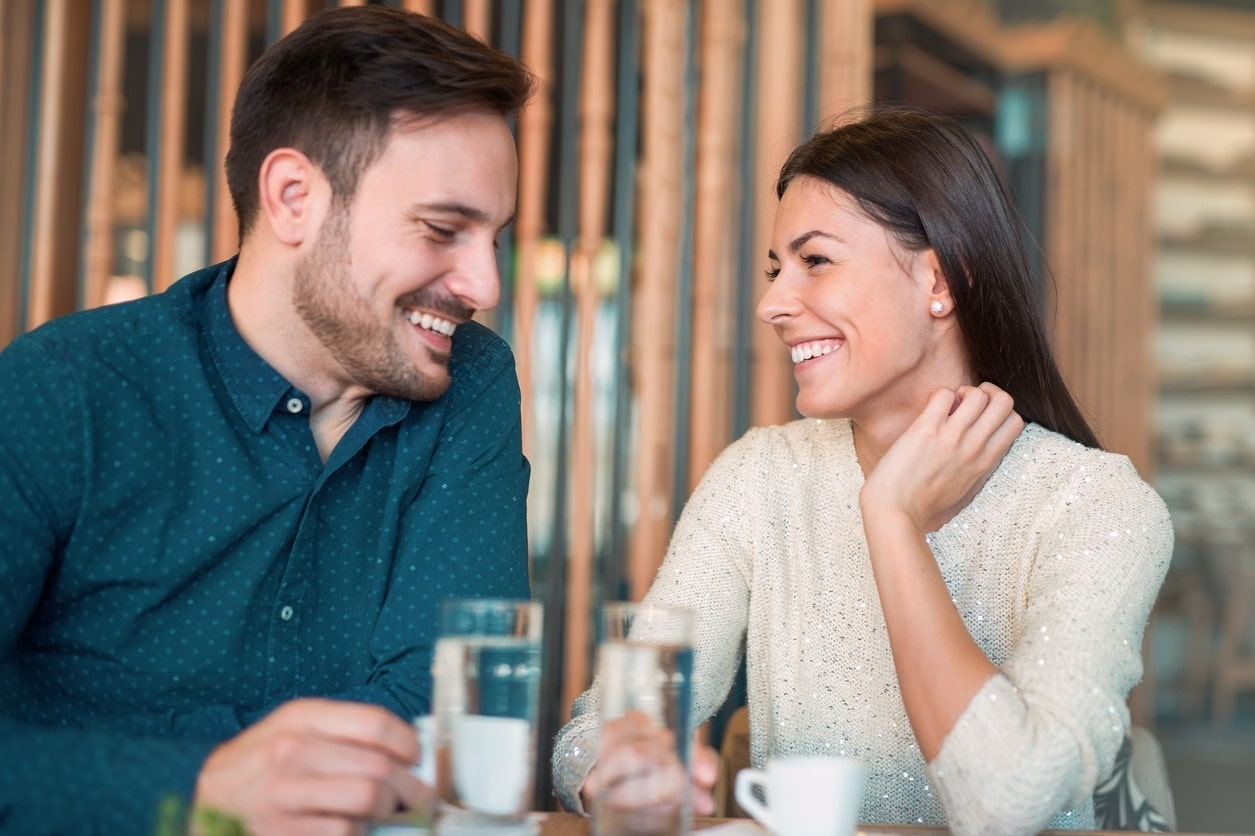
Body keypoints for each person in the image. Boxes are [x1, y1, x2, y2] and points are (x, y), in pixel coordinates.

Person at [552, 107, 1173, 835]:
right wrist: (616, 772)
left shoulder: (1094, 507)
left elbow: (1009, 801)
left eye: (815, 261)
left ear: (941, 279)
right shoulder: (761, 478)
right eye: (775, 269)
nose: (772, 304)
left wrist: (891, 519)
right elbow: (598, 727)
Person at [0, 7, 533, 834]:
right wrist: (203, 783)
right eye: (442, 229)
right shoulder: (63, 391)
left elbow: (449, 705)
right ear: (294, 198)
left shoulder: (470, 384)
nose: (483, 286)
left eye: (494, 238)